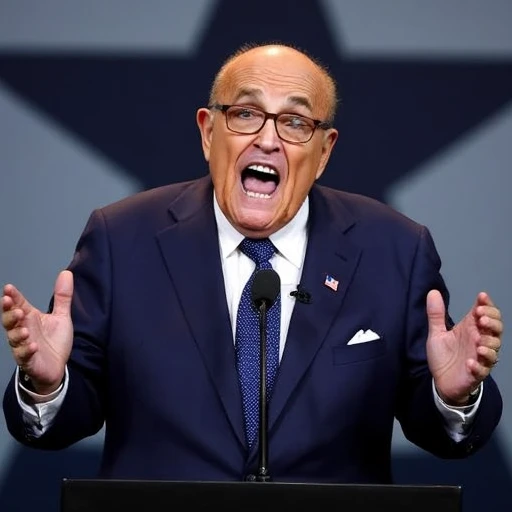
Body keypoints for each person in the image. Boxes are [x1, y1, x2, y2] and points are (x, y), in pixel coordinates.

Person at [2, 42, 503, 484]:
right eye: (245, 114)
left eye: (295, 122)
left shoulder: (393, 248)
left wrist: (452, 397)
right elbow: (70, 415)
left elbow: (434, 429)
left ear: (324, 151)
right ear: (208, 131)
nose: (267, 139)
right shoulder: (122, 238)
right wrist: (48, 385)